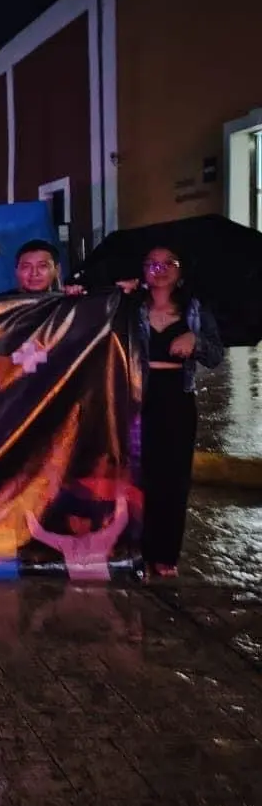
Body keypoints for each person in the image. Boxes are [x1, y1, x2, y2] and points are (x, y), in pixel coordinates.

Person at [121, 246, 223, 577]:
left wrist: (197, 342)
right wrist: (117, 295)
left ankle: (165, 553)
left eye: (169, 264)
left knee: (174, 478)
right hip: (138, 398)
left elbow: (215, 355)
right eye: (152, 264)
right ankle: (137, 549)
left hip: (177, 398)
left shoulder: (195, 309)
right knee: (136, 473)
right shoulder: (130, 307)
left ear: (180, 271)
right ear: (142, 270)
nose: (160, 269)